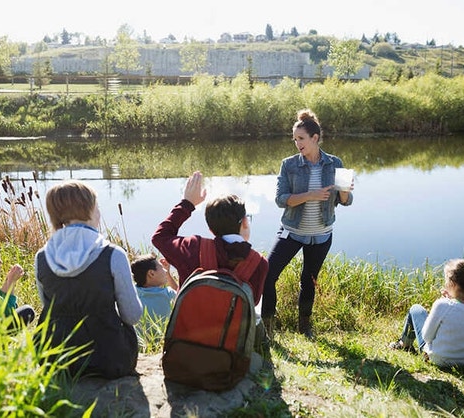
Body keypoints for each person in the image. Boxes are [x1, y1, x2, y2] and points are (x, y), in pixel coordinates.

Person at [34, 180, 142, 379]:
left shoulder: (42, 257)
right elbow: (132, 316)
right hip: (110, 360)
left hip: (57, 360)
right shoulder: (113, 254)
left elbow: (48, 307)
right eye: (97, 206)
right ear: (91, 209)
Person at [261, 109, 353, 339]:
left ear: (315, 138)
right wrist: (310, 195)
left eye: (300, 138)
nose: (297, 143)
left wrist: (344, 192)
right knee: (267, 274)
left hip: (321, 235)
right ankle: (267, 329)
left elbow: (346, 201)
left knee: (309, 281)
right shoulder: (289, 165)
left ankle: (305, 328)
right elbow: (281, 200)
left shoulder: (335, 163)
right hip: (292, 232)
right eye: (294, 139)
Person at [151, 171, 268, 304]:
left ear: (211, 230)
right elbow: (254, 302)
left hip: (191, 324)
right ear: (245, 222)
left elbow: (160, 236)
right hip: (234, 325)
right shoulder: (259, 263)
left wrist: (187, 204)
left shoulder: (192, 247)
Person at [388, 259, 464, 366]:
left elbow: (427, 337)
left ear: (452, 283)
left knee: (416, 309)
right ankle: (404, 343)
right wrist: (450, 299)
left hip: (439, 360)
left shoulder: (442, 305)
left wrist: (445, 301)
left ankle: (404, 344)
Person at [131, 253, 178, 330]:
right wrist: (169, 275)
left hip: (140, 341)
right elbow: (182, 296)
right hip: (164, 341)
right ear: (151, 273)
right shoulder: (168, 294)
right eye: (162, 268)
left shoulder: (132, 295)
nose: (165, 271)